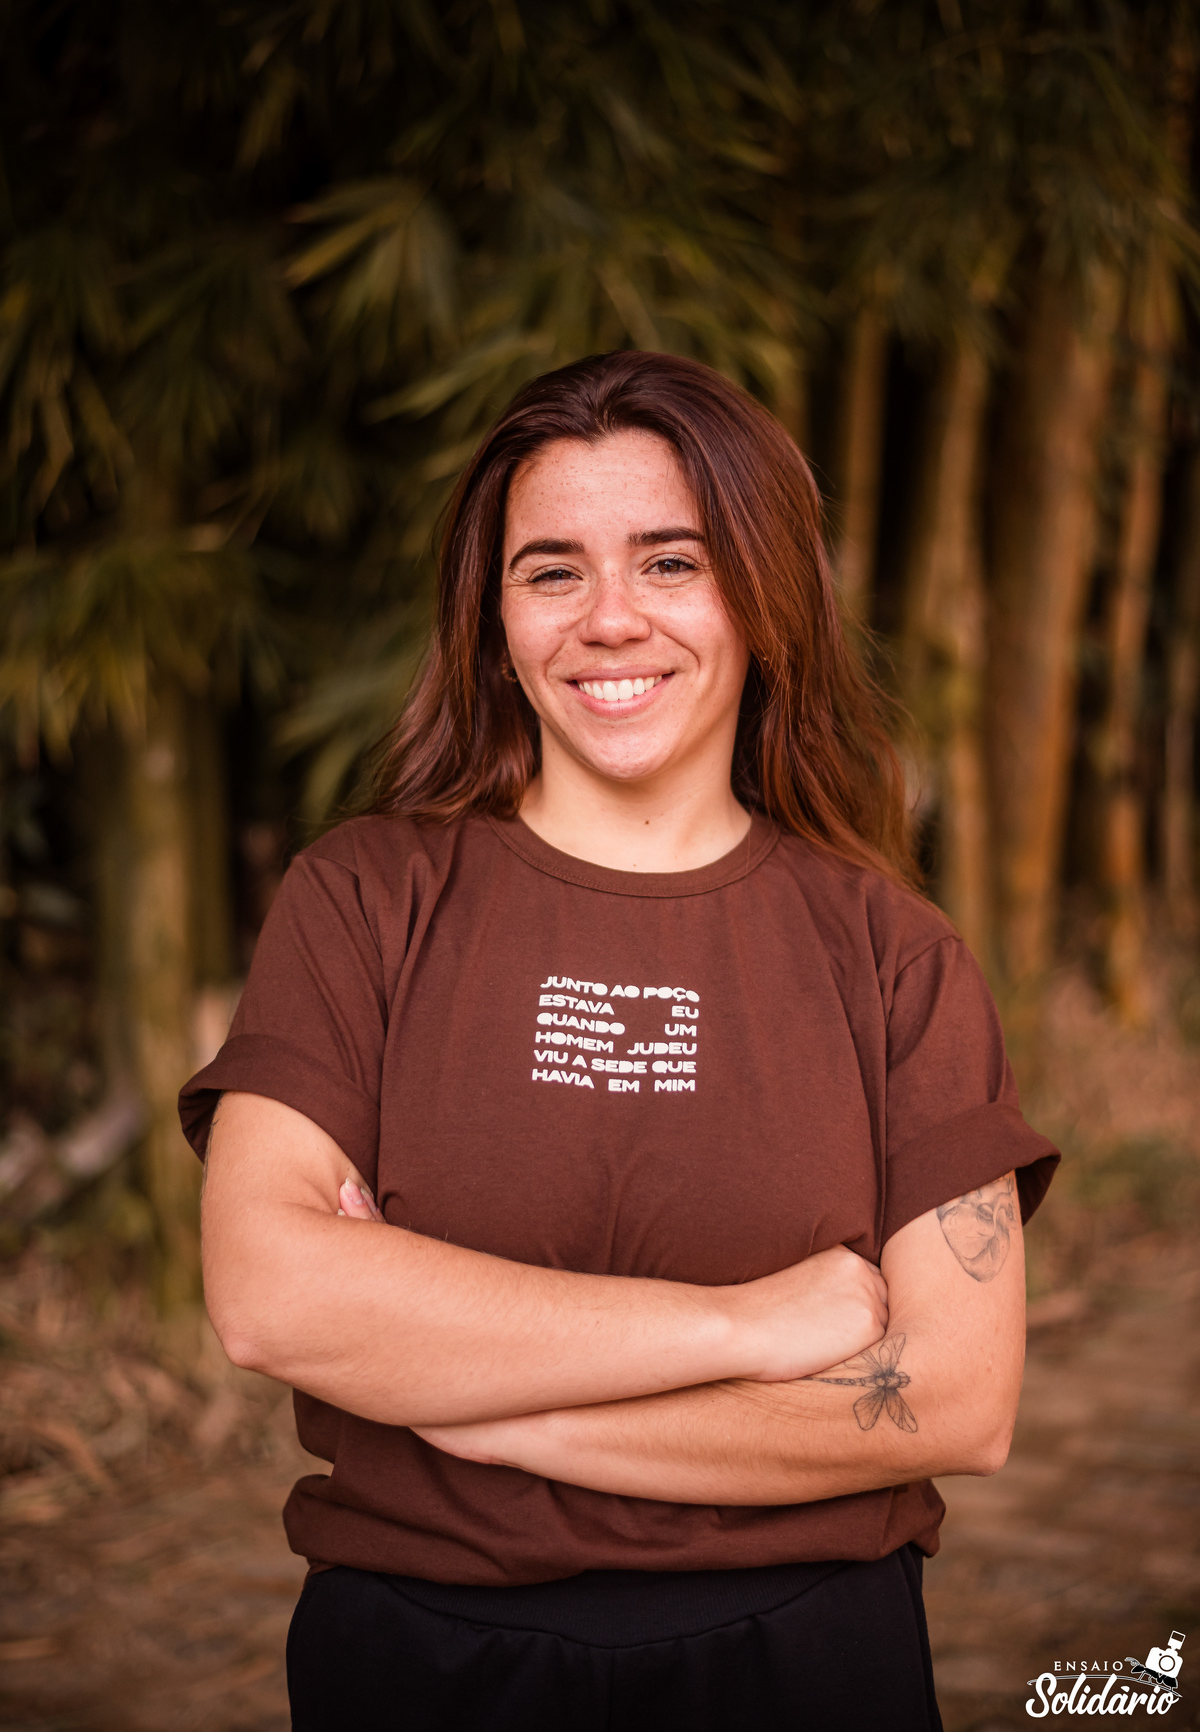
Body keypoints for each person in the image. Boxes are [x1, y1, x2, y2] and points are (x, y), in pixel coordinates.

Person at [181, 350, 1059, 1732]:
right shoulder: (363, 899)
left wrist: (492, 1411)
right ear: (494, 618)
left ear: (764, 595)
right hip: (422, 1664)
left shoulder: (893, 954)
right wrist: (751, 1323)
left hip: (805, 1664)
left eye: (671, 562)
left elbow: (955, 1400)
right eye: (552, 571)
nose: (608, 619)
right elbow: (269, 1295)